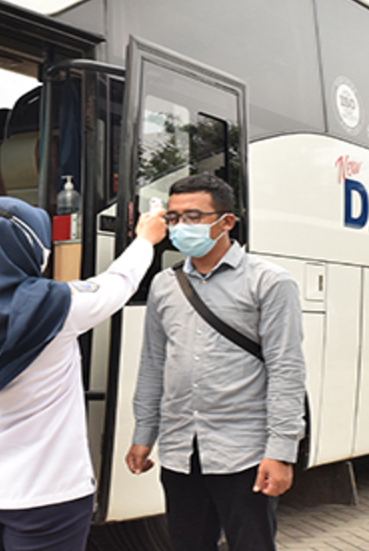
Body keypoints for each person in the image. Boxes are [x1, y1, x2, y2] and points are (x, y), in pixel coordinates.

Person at [0, 195, 167, 551]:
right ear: (27, 248)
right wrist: (145, 239)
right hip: (48, 495)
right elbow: (119, 282)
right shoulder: (57, 305)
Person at [125, 173, 305, 551]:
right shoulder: (164, 284)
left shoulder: (270, 282)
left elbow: (286, 369)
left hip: (244, 451)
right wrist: (144, 435)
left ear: (226, 222)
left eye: (193, 216)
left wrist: (281, 452)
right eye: (174, 217)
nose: (181, 226)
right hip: (180, 449)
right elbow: (154, 363)